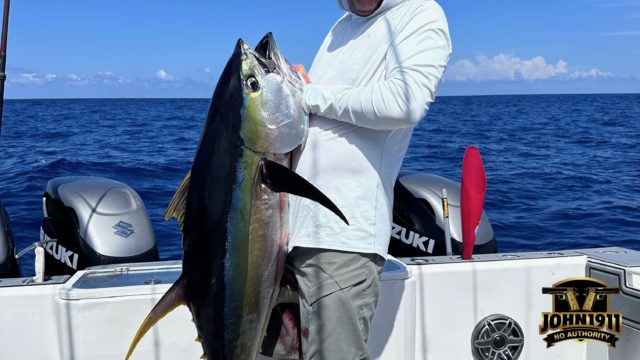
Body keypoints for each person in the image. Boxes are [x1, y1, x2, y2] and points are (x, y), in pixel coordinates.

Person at [288, 0, 451, 358]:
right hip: (289, 234)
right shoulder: (339, 27)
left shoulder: (421, 12)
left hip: (342, 238)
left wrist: (310, 95)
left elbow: (405, 102)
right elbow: (319, 115)